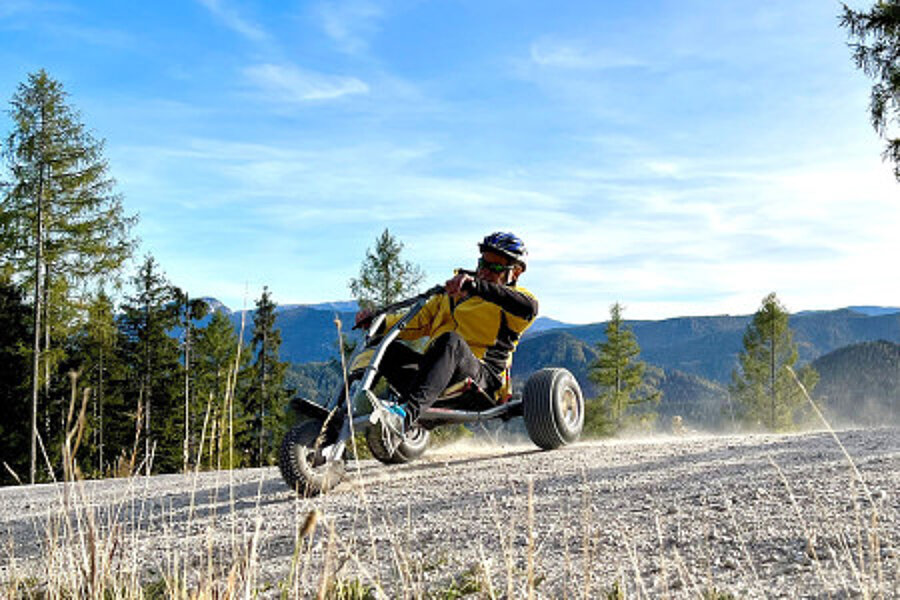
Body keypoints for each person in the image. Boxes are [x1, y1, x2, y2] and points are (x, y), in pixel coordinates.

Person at [354, 232, 538, 435]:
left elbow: (529, 308)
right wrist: (379, 323)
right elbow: (416, 323)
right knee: (384, 349)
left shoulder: (512, 302)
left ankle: (404, 418)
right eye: (482, 264)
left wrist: (475, 286)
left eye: (494, 268)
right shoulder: (450, 295)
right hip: (435, 373)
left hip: (482, 380)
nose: (485, 271)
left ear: (517, 272)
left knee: (451, 342)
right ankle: (337, 418)